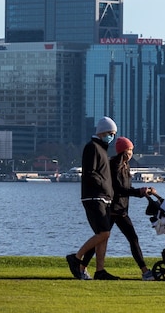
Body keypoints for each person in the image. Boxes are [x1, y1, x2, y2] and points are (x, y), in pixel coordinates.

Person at [81, 136, 154, 281]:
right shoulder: (113, 165)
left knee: (131, 239)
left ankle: (145, 271)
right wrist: (137, 192)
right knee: (101, 238)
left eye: (132, 150)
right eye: (129, 150)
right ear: (123, 151)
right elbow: (118, 189)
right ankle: (82, 267)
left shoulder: (126, 166)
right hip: (112, 209)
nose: (131, 153)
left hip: (121, 210)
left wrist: (140, 192)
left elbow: (126, 188)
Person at [66, 116, 119, 280]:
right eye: (111, 133)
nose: (113, 137)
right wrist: (103, 187)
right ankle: (76, 258)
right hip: (95, 198)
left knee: (103, 234)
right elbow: (90, 173)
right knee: (104, 233)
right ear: (104, 132)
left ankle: (100, 270)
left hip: (103, 198)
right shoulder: (92, 147)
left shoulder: (102, 149)